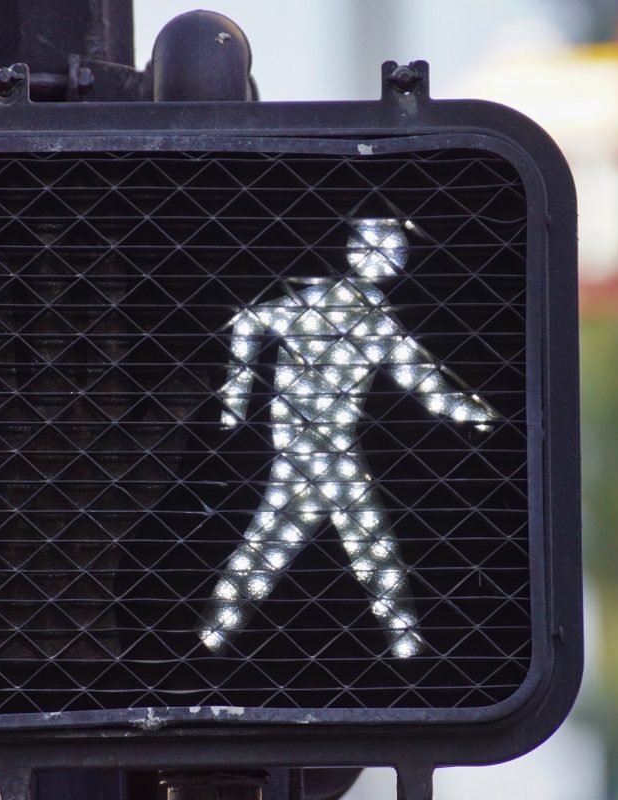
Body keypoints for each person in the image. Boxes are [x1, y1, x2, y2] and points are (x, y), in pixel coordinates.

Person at [200, 218, 499, 658]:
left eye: (396, 253)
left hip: (322, 447)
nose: (392, 261)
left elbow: (421, 380)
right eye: (387, 251)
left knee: (295, 547)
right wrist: (233, 406)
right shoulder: (335, 306)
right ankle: (405, 647)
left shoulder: (363, 312)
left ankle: (215, 635)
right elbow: (249, 318)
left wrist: (474, 414)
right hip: (316, 449)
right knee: (359, 548)